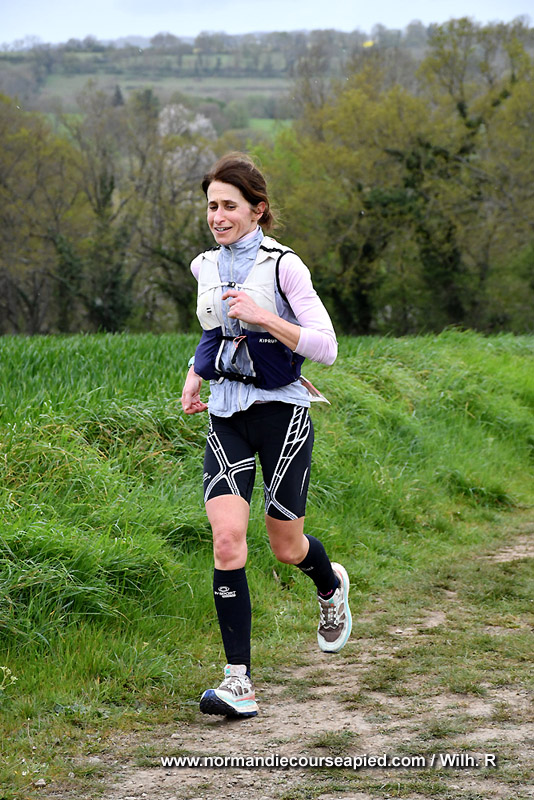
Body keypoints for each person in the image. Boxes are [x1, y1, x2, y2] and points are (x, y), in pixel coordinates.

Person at [181, 152, 351, 718]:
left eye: (229, 206)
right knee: (228, 540)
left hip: (283, 415)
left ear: (257, 209)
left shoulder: (285, 267)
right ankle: (239, 683)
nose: (218, 216)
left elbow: (326, 347)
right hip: (226, 414)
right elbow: (214, 329)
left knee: (285, 547)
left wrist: (266, 317)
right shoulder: (205, 265)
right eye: (212, 206)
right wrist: (194, 372)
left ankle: (328, 584)